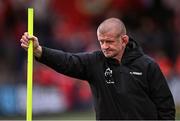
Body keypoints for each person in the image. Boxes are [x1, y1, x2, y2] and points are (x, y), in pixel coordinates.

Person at [20, 18, 175, 120]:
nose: (104, 46)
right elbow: (68, 61)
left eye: (109, 41)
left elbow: (166, 108)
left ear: (124, 40)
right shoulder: (95, 62)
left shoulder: (148, 65)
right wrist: (40, 51)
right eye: (101, 41)